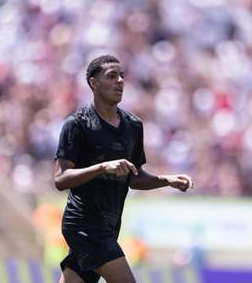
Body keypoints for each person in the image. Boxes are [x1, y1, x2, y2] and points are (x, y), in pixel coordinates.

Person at [54, 54, 194, 283]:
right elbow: (60, 179)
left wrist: (165, 180)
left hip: (110, 225)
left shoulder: (133, 126)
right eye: (112, 76)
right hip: (83, 224)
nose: (120, 81)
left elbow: (135, 178)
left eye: (121, 76)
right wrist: (101, 167)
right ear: (94, 83)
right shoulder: (76, 125)